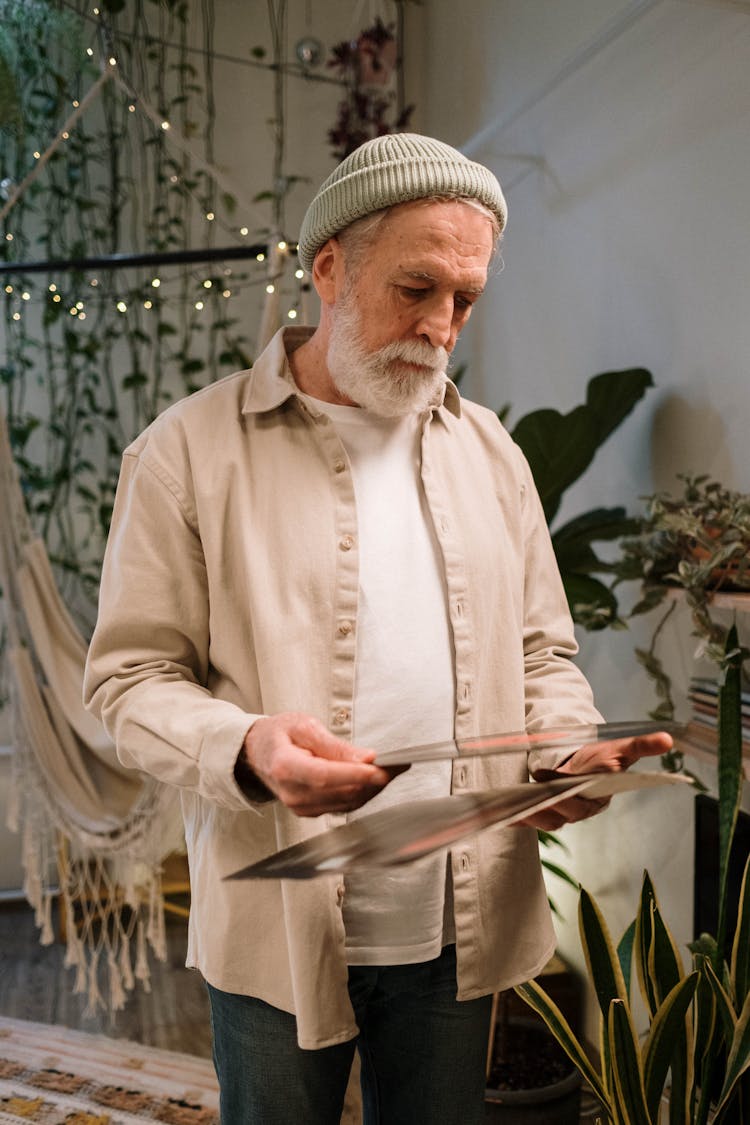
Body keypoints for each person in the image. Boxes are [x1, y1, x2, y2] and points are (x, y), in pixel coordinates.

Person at [83, 133, 672, 1125]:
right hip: (276, 921)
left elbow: (541, 651)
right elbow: (124, 683)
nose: (443, 327)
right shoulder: (185, 452)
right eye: (416, 288)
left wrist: (565, 749)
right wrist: (249, 744)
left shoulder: (493, 453)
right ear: (328, 267)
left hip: (460, 919)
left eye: (466, 299)